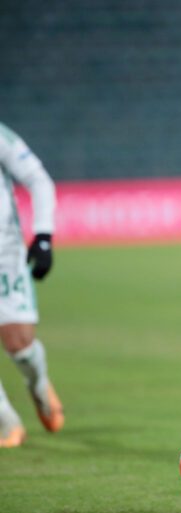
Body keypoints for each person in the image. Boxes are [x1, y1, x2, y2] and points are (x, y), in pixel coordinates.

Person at [0, 122, 64, 448]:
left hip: (5, 255)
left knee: (21, 346)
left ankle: (39, 386)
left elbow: (38, 179)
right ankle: (6, 421)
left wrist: (43, 236)